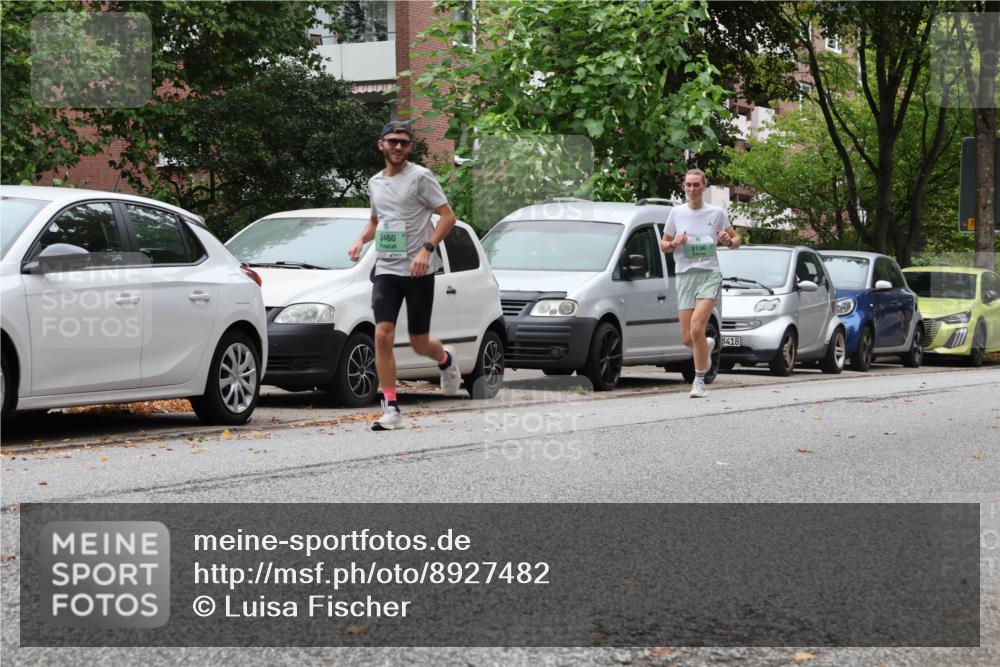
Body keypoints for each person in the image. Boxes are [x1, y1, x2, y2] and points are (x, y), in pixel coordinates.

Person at [349, 121, 461, 430]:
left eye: (404, 142)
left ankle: (445, 359)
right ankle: (392, 409)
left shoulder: (421, 177)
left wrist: (427, 249)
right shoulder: (375, 183)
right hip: (387, 268)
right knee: (382, 334)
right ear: (381, 144)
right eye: (392, 141)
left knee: (418, 342)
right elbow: (376, 221)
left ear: (409, 147)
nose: (398, 147)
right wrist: (360, 240)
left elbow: (448, 217)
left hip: (419, 270)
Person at [660, 168, 740, 398]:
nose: (692, 189)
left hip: (708, 274)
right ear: (684, 187)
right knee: (688, 338)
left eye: (697, 184)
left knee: (697, 328)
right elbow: (663, 245)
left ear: (704, 186)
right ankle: (706, 345)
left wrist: (728, 240)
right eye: (688, 185)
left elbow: (737, 240)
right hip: (685, 276)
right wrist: (675, 242)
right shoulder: (676, 213)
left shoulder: (716, 213)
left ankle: (698, 382)